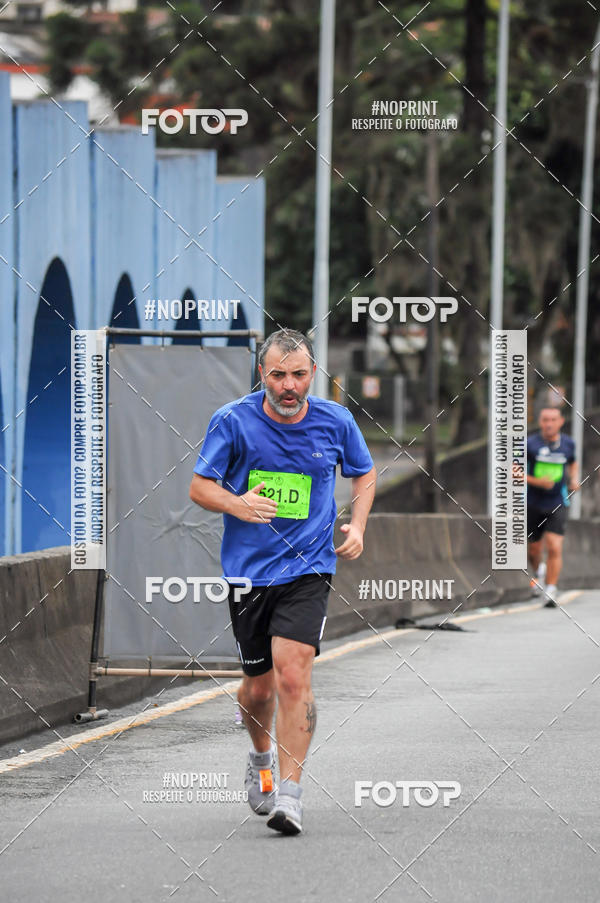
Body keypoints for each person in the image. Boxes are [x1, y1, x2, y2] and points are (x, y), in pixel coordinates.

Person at [189, 328, 376, 835]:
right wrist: (238, 503)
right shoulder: (233, 421)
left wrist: (357, 525)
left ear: (312, 373)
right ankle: (261, 758)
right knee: (257, 690)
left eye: (298, 374)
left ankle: (290, 795)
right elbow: (199, 486)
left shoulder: (336, 420)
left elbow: (364, 472)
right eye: (278, 375)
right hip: (249, 573)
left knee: (293, 674)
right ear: (262, 374)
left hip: (309, 567)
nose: (289, 386)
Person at [526, 407, 579, 607]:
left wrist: (573, 479)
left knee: (555, 546)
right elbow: (514, 472)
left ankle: (550, 589)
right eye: (545, 419)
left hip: (558, 501)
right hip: (533, 502)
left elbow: (572, 463)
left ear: (560, 422)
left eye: (553, 420)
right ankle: (538, 570)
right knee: (533, 549)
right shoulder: (530, 444)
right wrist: (536, 481)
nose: (549, 424)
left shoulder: (568, 444)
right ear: (540, 422)